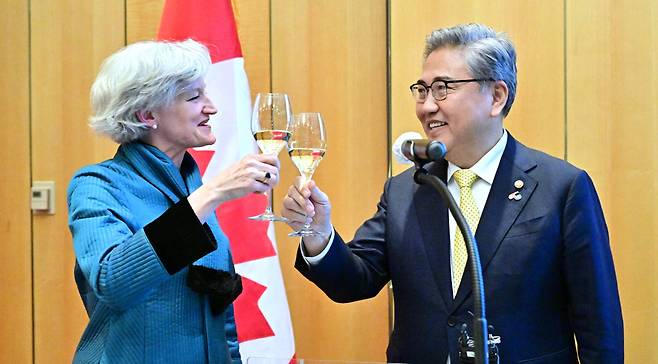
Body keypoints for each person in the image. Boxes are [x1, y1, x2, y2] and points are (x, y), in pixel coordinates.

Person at [281, 23, 623, 363]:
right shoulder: (406, 190)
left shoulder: (560, 188)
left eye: (443, 88)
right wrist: (319, 232)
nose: (427, 106)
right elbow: (353, 282)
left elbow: (599, 327)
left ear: (496, 97)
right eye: (422, 89)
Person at [67, 39, 279, 363]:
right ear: (147, 114)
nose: (212, 107)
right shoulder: (97, 185)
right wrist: (210, 195)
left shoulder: (192, 188)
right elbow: (112, 282)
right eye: (194, 97)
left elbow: (220, 313)